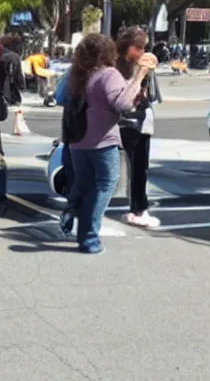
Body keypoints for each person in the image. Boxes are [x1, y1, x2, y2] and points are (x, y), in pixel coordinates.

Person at [67, 33, 157, 254]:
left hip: (78, 141)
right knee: (106, 185)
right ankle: (89, 238)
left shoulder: (78, 75)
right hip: (102, 140)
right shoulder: (108, 74)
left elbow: (61, 98)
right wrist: (140, 75)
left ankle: (78, 226)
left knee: (87, 186)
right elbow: (123, 104)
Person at [116, 27, 162, 228]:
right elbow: (124, 97)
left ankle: (139, 207)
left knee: (140, 168)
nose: (142, 52)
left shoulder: (143, 65)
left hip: (142, 121)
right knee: (134, 167)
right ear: (127, 47)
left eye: (144, 48)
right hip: (127, 122)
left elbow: (152, 96)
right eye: (138, 48)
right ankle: (138, 208)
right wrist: (140, 73)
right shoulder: (118, 68)